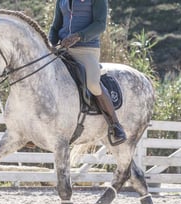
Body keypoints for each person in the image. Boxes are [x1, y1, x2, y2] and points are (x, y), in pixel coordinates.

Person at [48, 0, 126, 145]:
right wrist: (50, 45)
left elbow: (100, 24)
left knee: (92, 84)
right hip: (63, 49)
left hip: (86, 49)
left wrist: (78, 36)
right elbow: (55, 27)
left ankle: (115, 124)